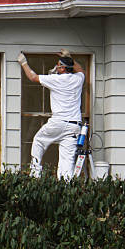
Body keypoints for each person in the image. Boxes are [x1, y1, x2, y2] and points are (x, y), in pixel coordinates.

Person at [18, 50, 85, 180]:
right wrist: (69, 57)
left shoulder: (56, 79)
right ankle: (66, 189)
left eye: (59, 64)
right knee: (67, 163)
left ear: (63, 68)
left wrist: (23, 62)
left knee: (38, 141)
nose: (56, 67)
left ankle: (35, 175)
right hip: (74, 127)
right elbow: (80, 69)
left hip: (58, 123)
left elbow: (33, 77)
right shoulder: (78, 79)